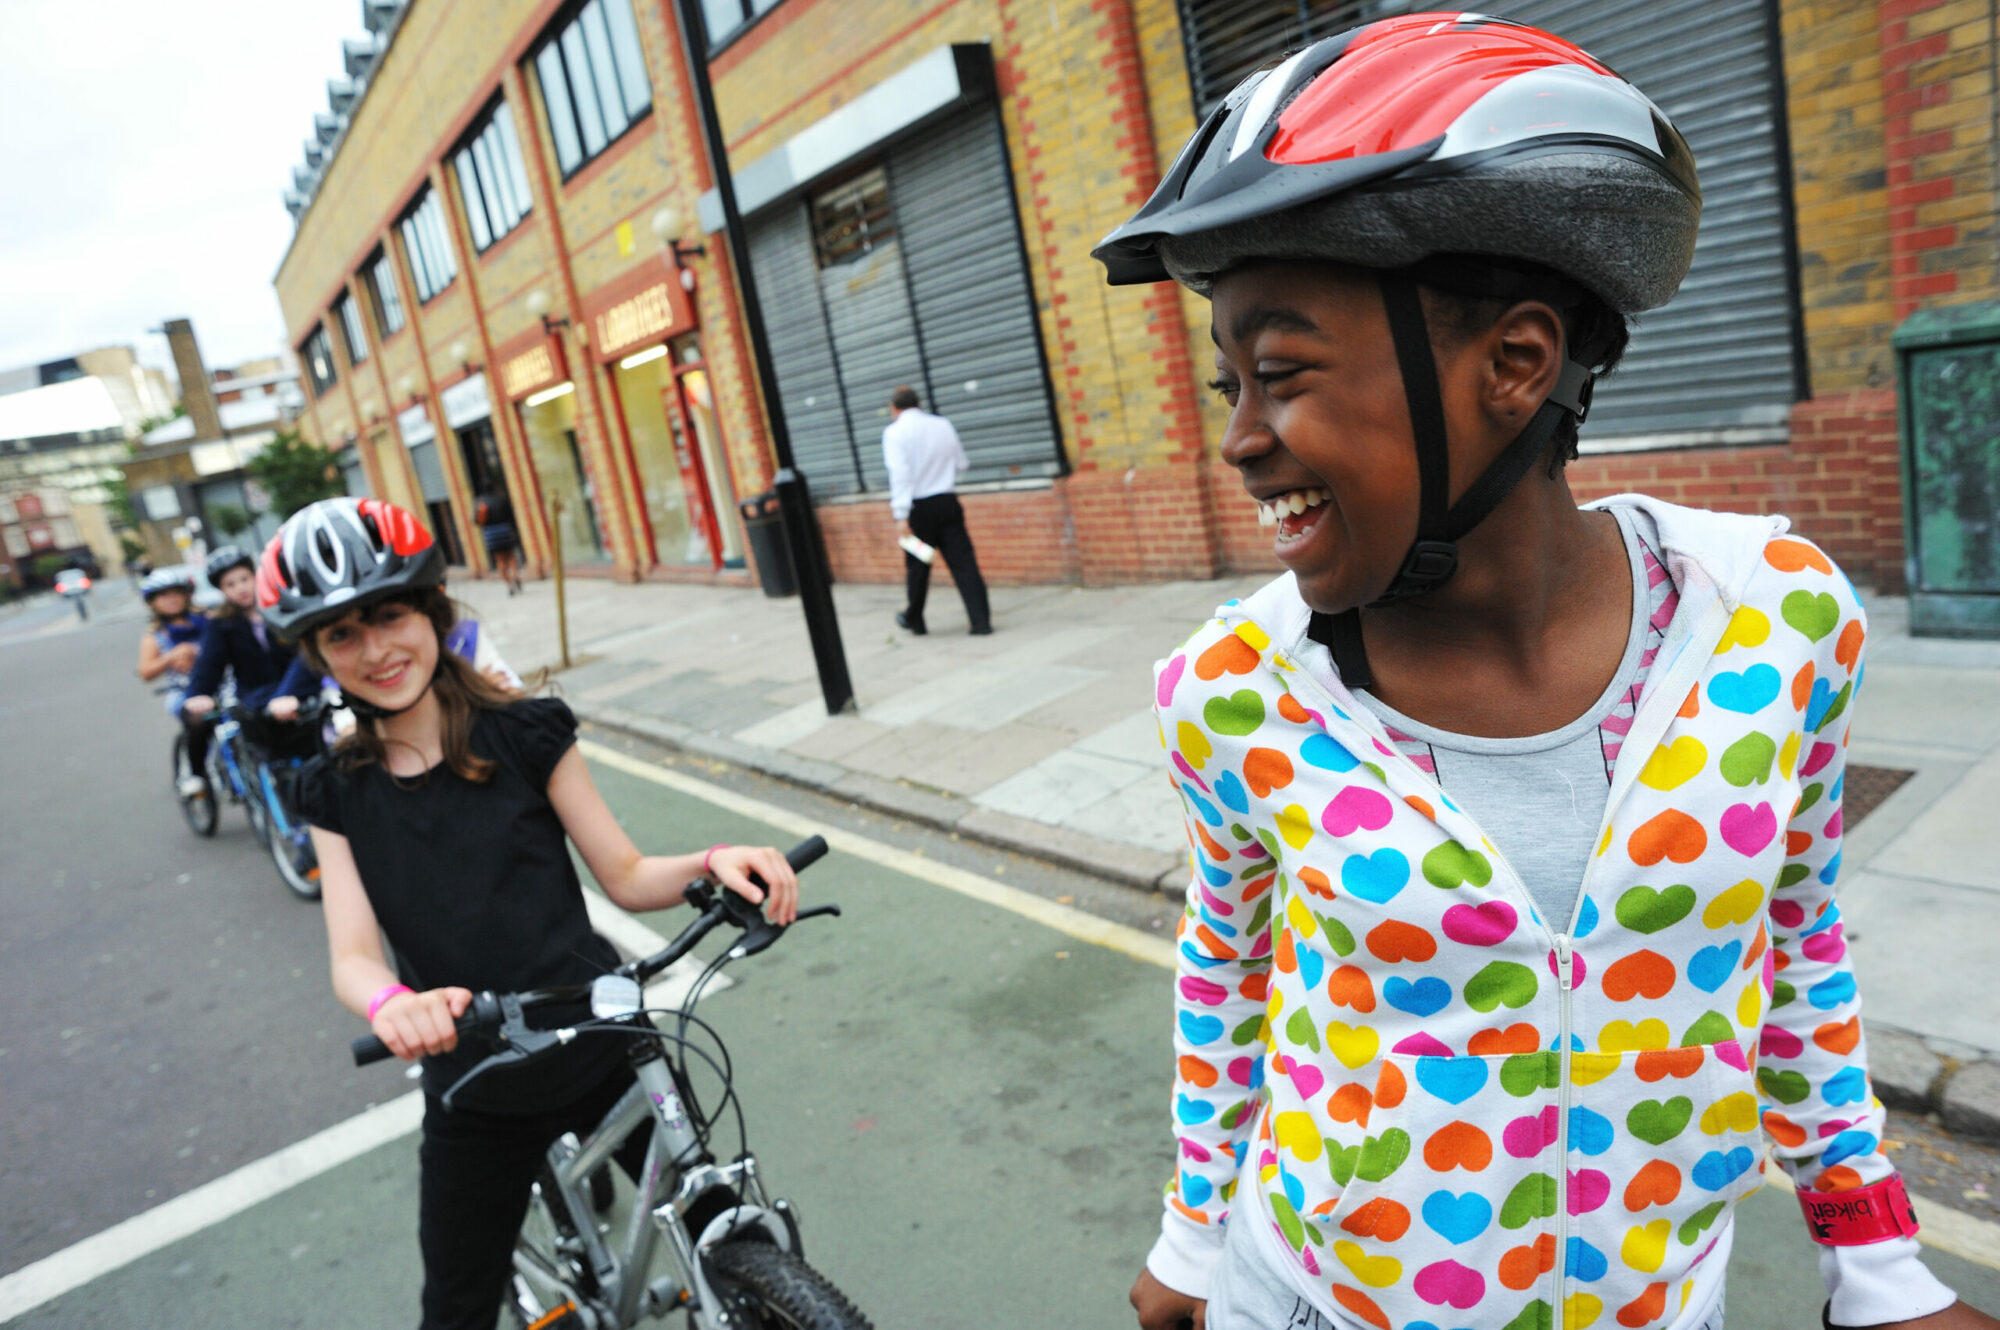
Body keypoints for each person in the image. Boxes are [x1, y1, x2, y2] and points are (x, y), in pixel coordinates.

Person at [1097, 17, 1998, 1330]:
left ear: (1515, 366)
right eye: (1228, 381)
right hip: (1314, 1300)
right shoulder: (1231, 688)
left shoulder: (1777, 622)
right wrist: (1193, 1233)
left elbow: (1795, 947)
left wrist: (1874, 1260)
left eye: (1279, 374)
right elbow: (1229, 969)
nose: (1238, 439)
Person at [265, 496, 802, 1330]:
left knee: (733, 1236)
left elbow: (626, 875)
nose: (374, 650)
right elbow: (353, 958)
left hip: (607, 1045)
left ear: (433, 611)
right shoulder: (335, 792)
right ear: (317, 654)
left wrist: (712, 862)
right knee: (455, 1311)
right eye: (341, 634)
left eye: (390, 615)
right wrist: (393, 1004)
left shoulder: (525, 732)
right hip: (474, 1081)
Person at [882, 385, 992, 636]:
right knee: (964, 563)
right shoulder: (942, 425)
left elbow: (900, 475)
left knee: (918, 565)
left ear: (894, 408)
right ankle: (981, 622)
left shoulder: (894, 433)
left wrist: (901, 515)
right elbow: (961, 464)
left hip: (918, 509)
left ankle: (915, 620)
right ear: (918, 404)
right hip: (947, 502)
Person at [181, 544, 317, 723]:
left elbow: (305, 653)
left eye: (244, 579)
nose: (240, 588)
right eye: (230, 584)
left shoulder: (284, 609)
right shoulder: (221, 623)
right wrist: (199, 693)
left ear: (256, 576)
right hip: (256, 706)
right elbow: (210, 660)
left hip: (303, 696)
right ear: (222, 590)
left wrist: (289, 692)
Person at [137, 566, 211, 797]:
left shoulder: (208, 621)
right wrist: (171, 657)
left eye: (176, 592)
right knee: (197, 720)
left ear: (187, 594)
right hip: (183, 691)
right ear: (152, 602)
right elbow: (145, 671)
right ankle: (196, 774)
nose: (171, 599)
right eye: (163, 595)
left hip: (220, 685)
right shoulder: (155, 637)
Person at [475, 488, 523, 596]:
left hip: (491, 533)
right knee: (510, 556)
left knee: (500, 559)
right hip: (505, 530)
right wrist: (514, 530)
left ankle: (510, 585)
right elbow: (511, 515)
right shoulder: (501, 499)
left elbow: (476, 520)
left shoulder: (481, 501)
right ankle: (516, 576)